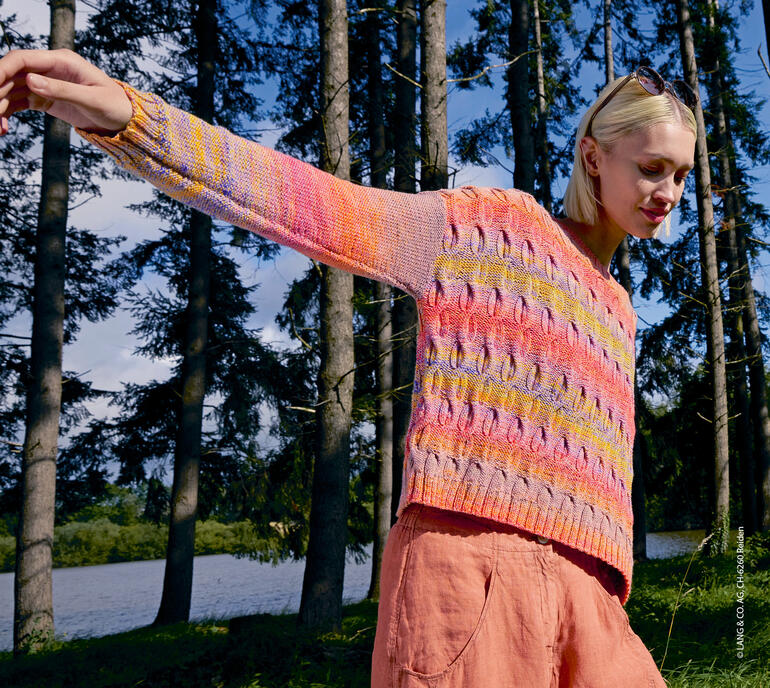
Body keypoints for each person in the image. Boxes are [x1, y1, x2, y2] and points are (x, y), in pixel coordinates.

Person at [0, 50, 696, 687]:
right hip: (473, 576)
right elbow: (313, 205)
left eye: (681, 174)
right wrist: (126, 116)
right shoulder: (496, 230)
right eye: (652, 167)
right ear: (594, 157)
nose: (668, 191)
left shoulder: (617, 308)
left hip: (594, 594)